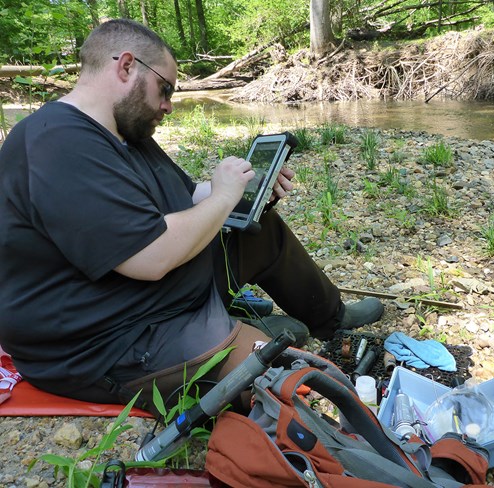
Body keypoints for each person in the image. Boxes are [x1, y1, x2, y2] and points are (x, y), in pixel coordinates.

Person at [0, 19, 383, 413]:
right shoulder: (56, 141)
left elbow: (187, 198)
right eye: (164, 88)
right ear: (126, 66)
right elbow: (151, 257)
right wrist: (223, 198)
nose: (167, 104)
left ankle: (330, 318)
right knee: (279, 380)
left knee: (257, 229)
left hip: (140, 297)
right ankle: (240, 333)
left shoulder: (124, 132)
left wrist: (246, 190)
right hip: (100, 341)